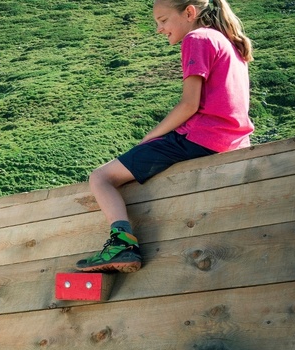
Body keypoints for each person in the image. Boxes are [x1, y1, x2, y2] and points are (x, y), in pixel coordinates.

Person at [76, 0, 254, 272]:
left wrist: (149, 138)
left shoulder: (196, 38)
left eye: (163, 20)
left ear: (189, 12)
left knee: (101, 178)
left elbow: (189, 105)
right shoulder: (228, 42)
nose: (159, 29)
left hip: (200, 138)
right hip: (234, 142)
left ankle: (122, 244)